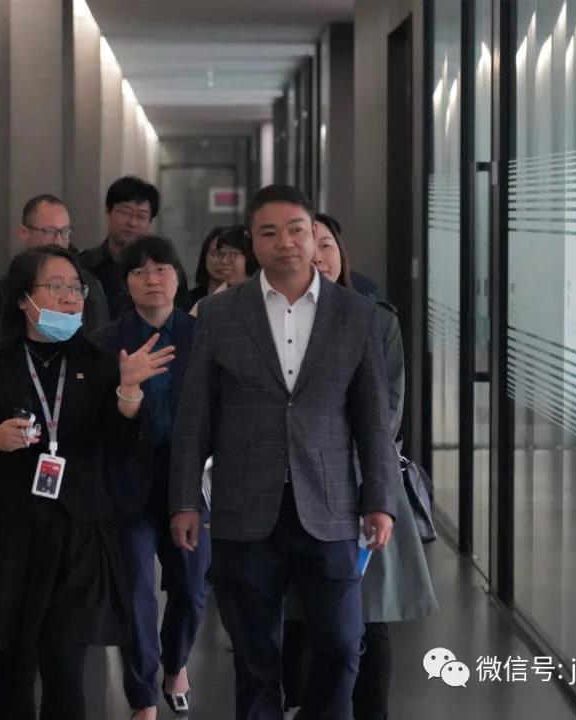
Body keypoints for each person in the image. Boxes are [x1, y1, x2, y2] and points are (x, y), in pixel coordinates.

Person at [169, 185, 399, 720]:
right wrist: (185, 500)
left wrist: (379, 500)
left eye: (296, 230)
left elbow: (373, 418)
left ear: (314, 236)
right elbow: (195, 415)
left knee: (342, 643)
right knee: (255, 656)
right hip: (244, 507)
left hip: (331, 505)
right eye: (269, 233)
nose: (286, 243)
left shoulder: (356, 313)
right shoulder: (220, 314)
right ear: (253, 242)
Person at [0, 246, 174, 720]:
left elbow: (126, 448)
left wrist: (129, 394)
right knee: (14, 670)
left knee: (65, 666)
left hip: (78, 533)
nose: (70, 297)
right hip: (7, 534)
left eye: (76, 288)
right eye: (55, 287)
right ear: (23, 299)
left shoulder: (101, 362)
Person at [308, 212, 437, 720]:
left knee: (369, 613)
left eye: (326, 243)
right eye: (306, 241)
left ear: (341, 254)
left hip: (364, 481)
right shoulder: (270, 323)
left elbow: (388, 409)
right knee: (305, 615)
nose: (317, 254)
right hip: (297, 486)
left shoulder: (376, 319)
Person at [94, 236, 209, 720]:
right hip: (129, 480)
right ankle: (142, 697)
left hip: (189, 480)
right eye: (139, 271)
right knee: (136, 590)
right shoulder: (105, 342)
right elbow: (99, 421)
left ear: (178, 277)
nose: (152, 278)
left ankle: (175, 662)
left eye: (161, 268)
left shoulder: (203, 335)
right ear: (126, 284)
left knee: (191, 587)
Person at [0, 194, 110, 328]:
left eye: (65, 232)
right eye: (50, 232)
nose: (58, 242)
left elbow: (99, 335)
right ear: (24, 233)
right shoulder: (0, 290)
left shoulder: (88, 285)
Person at [80, 176, 190, 318]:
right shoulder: (84, 265)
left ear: (150, 221)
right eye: (125, 212)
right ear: (108, 211)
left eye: (141, 216)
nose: (132, 223)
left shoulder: (167, 270)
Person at [188, 224, 259, 316]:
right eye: (222, 254)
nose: (223, 261)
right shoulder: (208, 303)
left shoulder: (262, 296)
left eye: (232, 254)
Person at [187, 227, 227, 306]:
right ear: (205, 256)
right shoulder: (189, 299)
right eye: (214, 254)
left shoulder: (243, 300)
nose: (219, 260)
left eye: (224, 254)